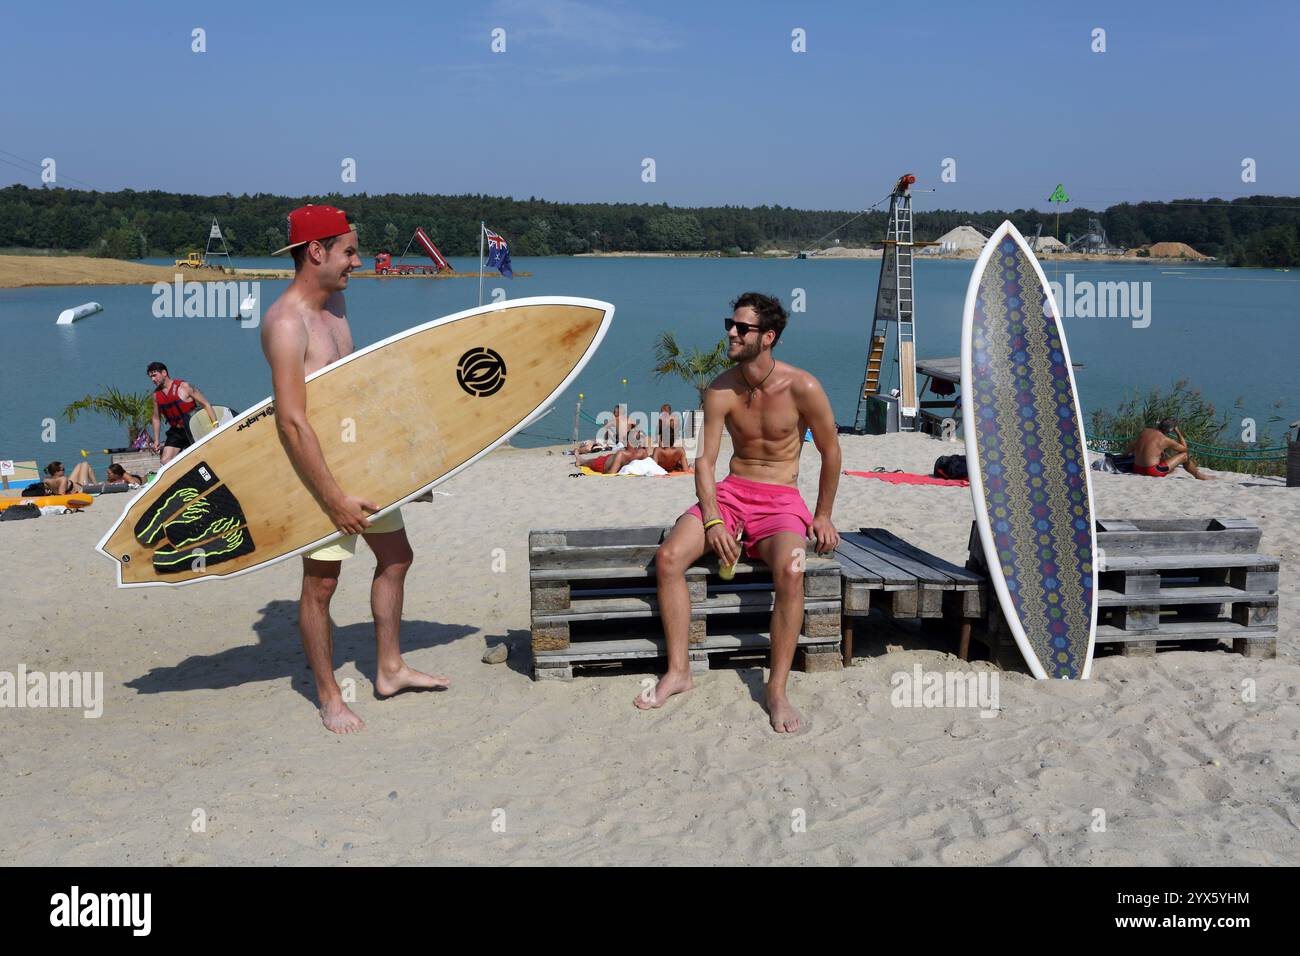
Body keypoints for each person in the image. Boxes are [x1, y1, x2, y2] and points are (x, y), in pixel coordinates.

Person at [262, 204, 448, 734]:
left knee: (396, 557)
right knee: (321, 585)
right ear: (316, 251)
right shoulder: (285, 324)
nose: (358, 261)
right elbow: (293, 423)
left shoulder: (337, 304)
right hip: (317, 476)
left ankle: (388, 668)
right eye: (349, 251)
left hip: (363, 464)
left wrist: (407, 468)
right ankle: (327, 696)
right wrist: (333, 498)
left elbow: (354, 393)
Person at [635, 292, 841, 733]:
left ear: (767, 337)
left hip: (781, 500)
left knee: (791, 568)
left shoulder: (802, 386)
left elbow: (831, 451)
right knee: (670, 558)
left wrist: (822, 515)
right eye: (731, 324)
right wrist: (711, 519)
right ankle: (679, 671)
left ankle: (777, 690)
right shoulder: (720, 389)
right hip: (731, 495)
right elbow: (705, 461)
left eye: (741, 328)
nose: (731, 332)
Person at [147, 362, 219, 465]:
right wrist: (157, 440)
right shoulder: (156, 395)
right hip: (177, 431)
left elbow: (206, 404)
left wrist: (215, 425)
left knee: (203, 456)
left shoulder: (184, 386)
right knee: (165, 461)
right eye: (151, 377)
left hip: (194, 428)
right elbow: (156, 418)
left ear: (164, 373)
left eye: (154, 375)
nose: (153, 379)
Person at [1132, 418, 1212, 480]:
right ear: (1171, 429)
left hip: (1137, 468)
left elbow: (1132, 445)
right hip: (1151, 471)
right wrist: (1178, 432)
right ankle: (1198, 475)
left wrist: (1124, 455)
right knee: (1185, 456)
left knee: (1163, 457)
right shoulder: (1165, 440)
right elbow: (1184, 449)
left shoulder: (1145, 431)